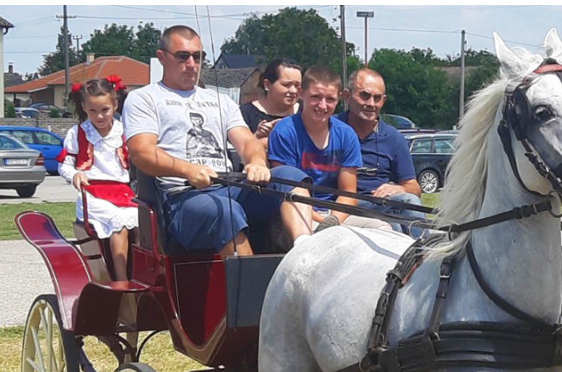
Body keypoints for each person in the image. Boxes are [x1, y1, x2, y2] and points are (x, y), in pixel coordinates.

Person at [123, 25, 313, 257]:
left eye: (198, 56)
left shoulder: (220, 101)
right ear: (162, 57)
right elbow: (142, 152)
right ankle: (250, 289)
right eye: (183, 56)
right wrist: (188, 170)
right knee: (225, 212)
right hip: (182, 198)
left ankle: (305, 255)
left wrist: (256, 162)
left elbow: (246, 142)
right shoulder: (144, 98)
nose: (192, 64)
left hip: (229, 187)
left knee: (290, 176)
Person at [268, 65, 390, 231]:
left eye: (330, 99)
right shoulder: (284, 132)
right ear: (301, 94)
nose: (323, 105)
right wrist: (325, 224)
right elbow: (287, 192)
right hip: (294, 213)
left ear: (339, 98)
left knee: (382, 228)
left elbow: (348, 194)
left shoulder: (346, 135)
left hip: (336, 214)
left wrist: (332, 221)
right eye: (316, 97)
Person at [58, 76, 136, 281]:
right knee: (119, 221)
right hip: (93, 195)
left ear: (115, 105)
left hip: (125, 193)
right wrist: (75, 174)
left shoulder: (125, 132)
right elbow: (64, 164)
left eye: (105, 110)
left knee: (151, 221)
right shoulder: (78, 133)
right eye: (93, 111)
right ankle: (122, 281)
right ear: (84, 107)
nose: (99, 116)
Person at [337, 68, 424, 236]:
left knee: (410, 201)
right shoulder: (331, 128)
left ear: (383, 101)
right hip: (343, 204)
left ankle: (423, 257)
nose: (371, 103)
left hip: (381, 204)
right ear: (346, 96)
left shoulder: (394, 138)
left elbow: (414, 187)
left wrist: (400, 189)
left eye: (377, 98)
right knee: (394, 228)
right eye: (364, 95)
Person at [240, 59, 302, 150]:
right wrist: (256, 136)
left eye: (297, 86)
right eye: (287, 85)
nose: (293, 91)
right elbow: (238, 151)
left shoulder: (306, 113)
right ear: (267, 85)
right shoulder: (245, 114)